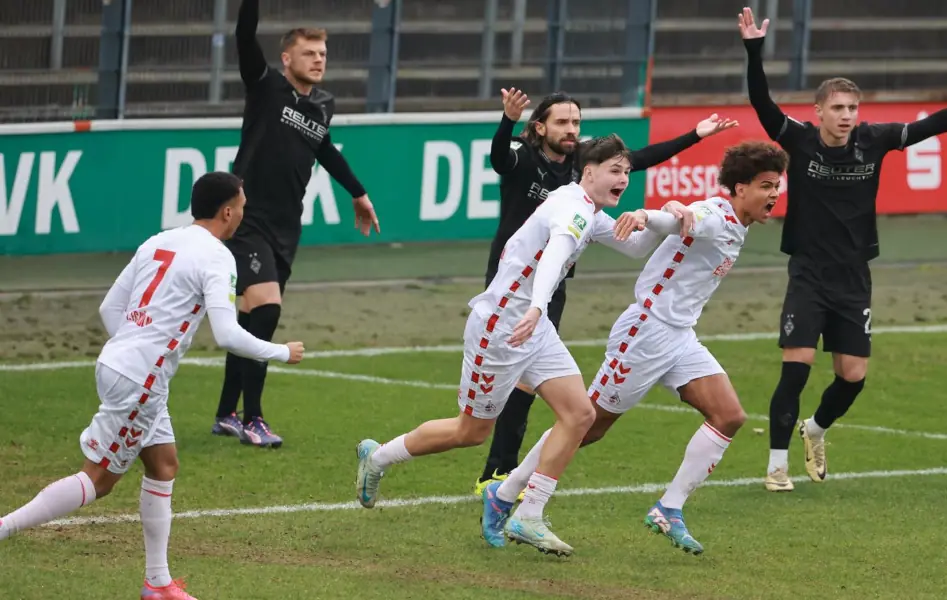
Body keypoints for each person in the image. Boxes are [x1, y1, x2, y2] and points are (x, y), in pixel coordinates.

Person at [736, 6, 947, 491]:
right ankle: (775, 466)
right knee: (796, 367)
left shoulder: (874, 141)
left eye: (852, 108)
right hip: (808, 271)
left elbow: (934, 126)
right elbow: (761, 102)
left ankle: (814, 429)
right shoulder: (799, 140)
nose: (847, 116)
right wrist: (754, 51)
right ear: (819, 112)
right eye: (837, 108)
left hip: (854, 276)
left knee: (852, 377)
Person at [355, 134, 689, 557]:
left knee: (580, 413)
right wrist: (535, 306)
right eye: (614, 171)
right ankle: (378, 458)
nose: (623, 178)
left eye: (626, 171)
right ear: (589, 172)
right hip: (501, 327)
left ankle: (527, 512)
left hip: (535, 328)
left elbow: (637, 246)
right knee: (470, 432)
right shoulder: (572, 209)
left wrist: (662, 215)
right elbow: (555, 255)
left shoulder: (586, 207)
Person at [0, 172, 304, 600]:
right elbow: (228, 335)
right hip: (139, 379)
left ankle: (157, 583)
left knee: (163, 466)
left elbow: (111, 307)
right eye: (242, 207)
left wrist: (131, 348)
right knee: (99, 480)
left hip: (121, 367)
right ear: (228, 211)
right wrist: (281, 352)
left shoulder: (158, 241)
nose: (242, 215)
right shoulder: (218, 257)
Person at [480, 140, 787, 555]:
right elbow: (684, 218)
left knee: (729, 415)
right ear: (738, 188)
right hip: (644, 334)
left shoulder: (736, 221)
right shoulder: (715, 215)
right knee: (587, 425)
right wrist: (649, 214)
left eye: (777, 185)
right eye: (766, 185)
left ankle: (669, 508)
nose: (774, 194)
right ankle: (508, 494)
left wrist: (670, 213)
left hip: (679, 336)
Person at [475, 88, 738, 496]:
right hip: (513, 283)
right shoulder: (527, 158)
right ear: (539, 126)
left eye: (576, 122)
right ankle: (502, 478)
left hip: (553, 281)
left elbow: (639, 160)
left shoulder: (584, 167)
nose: (571, 129)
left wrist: (693, 137)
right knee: (485, 414)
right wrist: (507, 120)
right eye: (562, 122)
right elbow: (498, 161)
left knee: (540, 392)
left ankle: (500, 475)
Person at [212, 0, 378, 448]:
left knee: (250, 320)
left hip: (288, 224)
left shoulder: (324, 103)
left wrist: (357, 192)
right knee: (267, 309)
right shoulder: (265, 86)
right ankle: (254, 418)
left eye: (323, 53)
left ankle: (226, 412)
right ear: (287, 59)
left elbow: (325, 150)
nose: (319, 60)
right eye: (310, 53)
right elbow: (245, 38)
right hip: (247, 218)